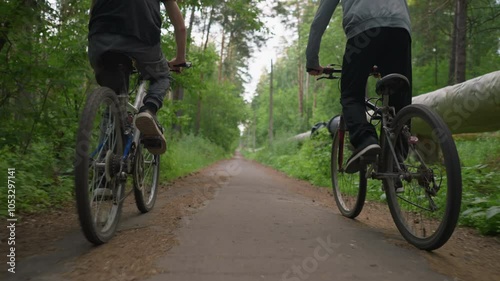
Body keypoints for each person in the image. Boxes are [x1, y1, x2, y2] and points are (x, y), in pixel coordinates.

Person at [306, 0, 412, 173]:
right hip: (400, 28)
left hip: (363, 30)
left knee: (351, 95)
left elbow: (320, 19)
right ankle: (398, 159)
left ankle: (365, 140)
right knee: (400, 97)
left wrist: (312, 61)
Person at [88, 0, 187, 155]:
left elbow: (93, 9)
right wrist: (180, 58)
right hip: (142, 40)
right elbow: (180, 27)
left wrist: (97, 37)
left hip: (99, 38)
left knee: (114, 97)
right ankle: (148, 110)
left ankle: (103, 165)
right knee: (161, 76)